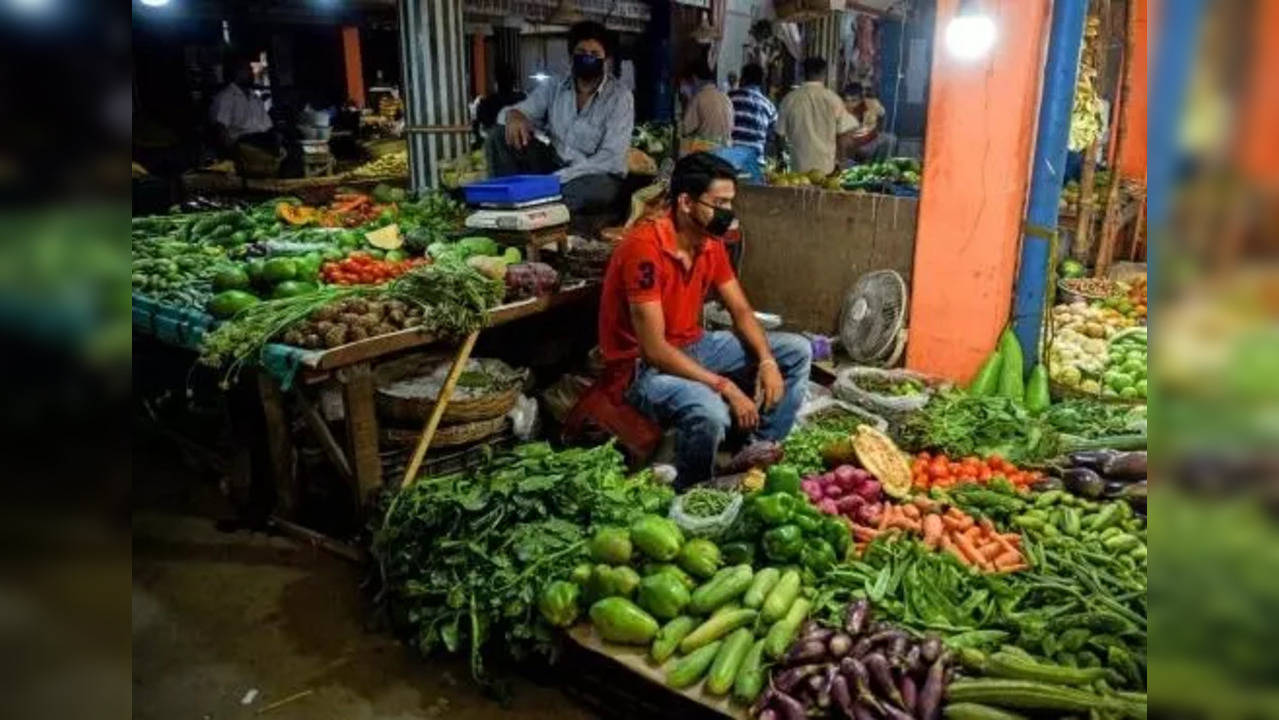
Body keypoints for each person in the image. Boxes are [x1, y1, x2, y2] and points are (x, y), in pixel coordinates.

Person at [598, 153, 812, 486]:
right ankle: (693, 491)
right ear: (685, 202)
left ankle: (756, 452)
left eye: (730, 202)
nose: (728, 212)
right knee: (710, 410)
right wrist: (724, 386)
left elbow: (740, 310)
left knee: (797, 351)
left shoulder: (709, 243)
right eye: (719, 202)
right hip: (639, 368)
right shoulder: (644, 248)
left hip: (693, 346)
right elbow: (654, 350)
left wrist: (767, 361)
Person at [488, 21, 633, 215]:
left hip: (596, 174)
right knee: (499, 135)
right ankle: (506, 205)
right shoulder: (554, 87)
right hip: (554, 164)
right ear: (571, 56)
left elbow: (611, 160)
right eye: (581, 52)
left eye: (595, 54)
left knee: (589, 191)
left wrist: (560, 179)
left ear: (605, 59)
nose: (587, 58)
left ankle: (536, 207)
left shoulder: (620, 97)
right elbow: (517, 113)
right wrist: (515, 115)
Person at [776, 57, 858, 175]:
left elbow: (779, 135)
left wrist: (781, 160)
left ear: (803, 73)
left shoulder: (790, 99)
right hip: (826, 170)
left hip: (798, 171)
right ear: (824, 73)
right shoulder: (833, 99)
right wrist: (841, 161)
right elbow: (843, 136)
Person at [209, 52, 276, 155]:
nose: (251, 73)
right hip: (243, 148)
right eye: (247, 69)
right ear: (236, 72)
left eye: (250, 69)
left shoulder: (255, 98)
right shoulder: (227, 97)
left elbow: (268, 126)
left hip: (263, 145)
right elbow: (220, 129)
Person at [679, 57, 734, 154]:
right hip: (727, 153)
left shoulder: (699, 98)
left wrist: (686, 101)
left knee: (683, 147)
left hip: (707, 155)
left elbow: (685, 129)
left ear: (694, 79)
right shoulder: (725, 98)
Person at [728, 63, 777, 160]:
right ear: (761, 82)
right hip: (755, 163)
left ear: (743, 79)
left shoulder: (729, 98)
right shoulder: (769, 107)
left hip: (730, 161)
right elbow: (772, 137)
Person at [473, 63, 525, 144]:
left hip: (496, 144)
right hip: (518, 145)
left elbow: (479, 128)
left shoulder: (486, 103)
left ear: (496, 81)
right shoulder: (522, 99)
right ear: (513, 81)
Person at [843, 82, 894, 162]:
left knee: (890, 140)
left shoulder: (872, 104)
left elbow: (883, 115)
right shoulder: (841, 107)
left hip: (869, 139)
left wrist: (880, 130)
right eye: (847, 100)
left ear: (861, 99)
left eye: (854, 100)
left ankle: (879, 166)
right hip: (851, 143)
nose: (850, 104)